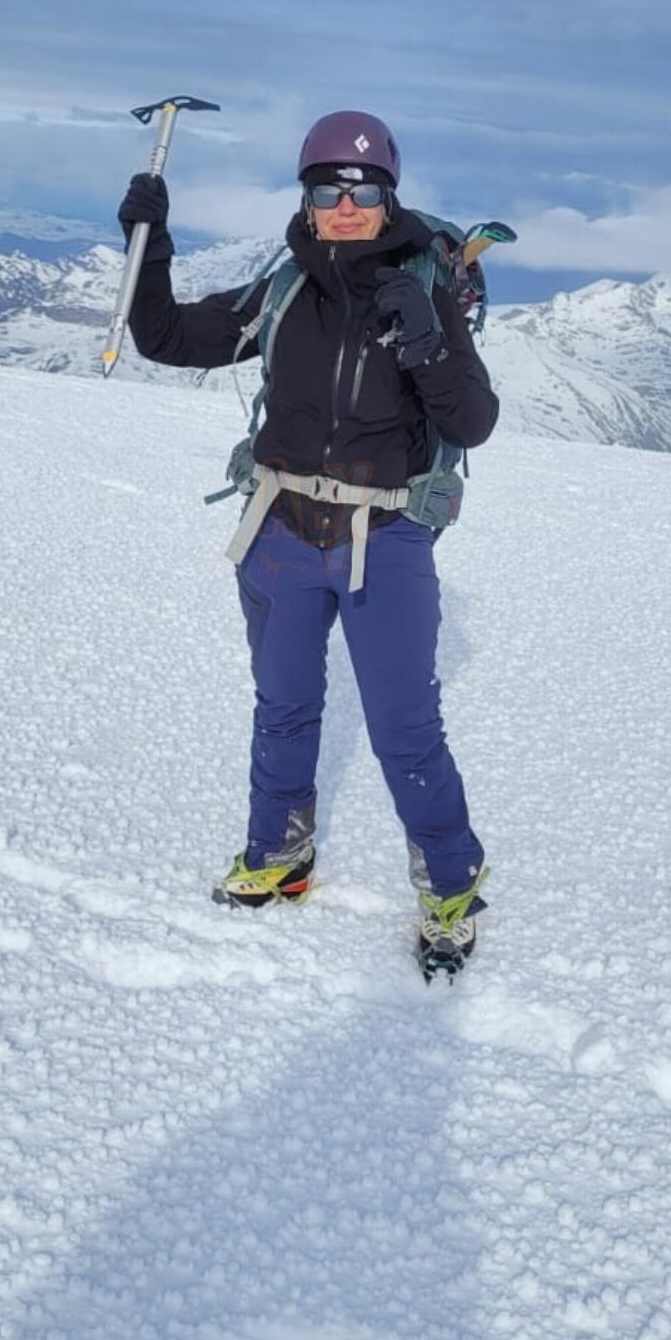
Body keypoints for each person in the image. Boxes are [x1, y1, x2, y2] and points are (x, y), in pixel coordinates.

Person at [120, 109, 499, 968]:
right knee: (284, 709)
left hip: (385, 535)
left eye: (362, 189)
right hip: (282, 528)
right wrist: (152, 243)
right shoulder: (284, 283)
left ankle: (449, 881)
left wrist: (429, 343)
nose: (344, 204)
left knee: (405, 729)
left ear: (387, 194)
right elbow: (167, 337)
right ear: (307, 196)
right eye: (326, 188)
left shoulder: (424, 286)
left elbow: (471, 422)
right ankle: (279, 856)